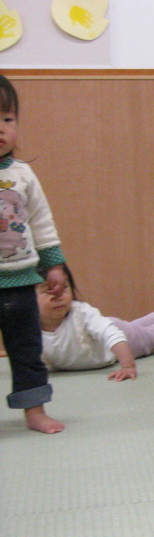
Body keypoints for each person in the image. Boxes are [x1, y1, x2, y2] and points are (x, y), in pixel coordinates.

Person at [0, 74, 67, 434]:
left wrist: (53, 264)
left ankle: (34, 410)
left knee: (27, 350)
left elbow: (41, 222)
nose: (1, 128)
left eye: (7, 119)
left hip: (20, 281)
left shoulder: (23, 174)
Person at [38, 264, 154, 380]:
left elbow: (112, 335)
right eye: (48, 290)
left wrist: (128, 366)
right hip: (118, 330)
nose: (59, 296)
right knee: (135, 329)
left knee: (150, 338)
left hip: (116, 340)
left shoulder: (80, 313)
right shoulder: (29, 329)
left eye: (64, 288)